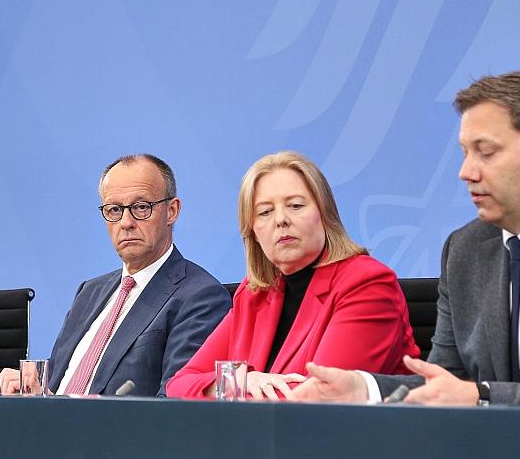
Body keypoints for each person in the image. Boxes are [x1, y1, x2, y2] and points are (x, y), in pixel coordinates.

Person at [300, 72, 520, 407]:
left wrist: (481, 396)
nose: (466, 172)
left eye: (486, 152)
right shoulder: (465, 249)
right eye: (465, 153)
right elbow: (446, 381)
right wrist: (366, 389)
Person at [0, 154, 231, 397]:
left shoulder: (200, 296)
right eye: (114, 210)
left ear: (172, 211)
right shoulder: (90, 291)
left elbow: (176, 404)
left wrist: (93, 414)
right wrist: (28, 390)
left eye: (141, 207)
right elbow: (57, 388)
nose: (126, 222)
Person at [165, 151, 419, 400]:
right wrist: (241, 381)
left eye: (295, 206)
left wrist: (229, 388)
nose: (281, 220)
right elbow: (180, 384)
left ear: (325, 214)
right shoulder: (254, 293)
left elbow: (318, 398)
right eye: (265, 212)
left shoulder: (366, 283)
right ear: (251, 231)